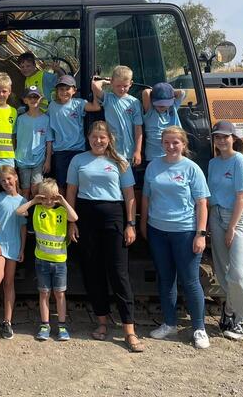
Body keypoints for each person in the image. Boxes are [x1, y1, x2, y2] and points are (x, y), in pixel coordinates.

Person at [66, 120, 144, 352]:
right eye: (94, 137)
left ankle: (129, 329)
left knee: (119, 273)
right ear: (88, 138)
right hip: (86, 217)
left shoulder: (119, 161)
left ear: (109, 138)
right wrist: (72, 223)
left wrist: (131, 224)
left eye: (102, 137)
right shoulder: (78, 160)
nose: (98, 141)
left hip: (113, 218)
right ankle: (101, 321)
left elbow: (129, 195)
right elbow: (71, 191)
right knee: (93, 271)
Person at [139, 126, 211, 349]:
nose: (171, 146)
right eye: (167, 142)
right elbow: (146, 197)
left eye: (175, 143)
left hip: (185, 232)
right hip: (158, 231)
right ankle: (169, 323)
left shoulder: (191, 169)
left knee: (190, 280)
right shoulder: (154, 166)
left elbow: (202, 203)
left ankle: (199, 328)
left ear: (183, 145)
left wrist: (200, 234)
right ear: (161, 144)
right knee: (166, 278)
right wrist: (143, 224)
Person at [207, 120, 243, 342]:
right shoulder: (213, 163)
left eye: (225, 137)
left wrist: (232, 228)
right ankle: (228, 312)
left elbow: (242, 197)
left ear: (233, 138)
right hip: (217, 217)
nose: (221, 140)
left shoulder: (240, 162)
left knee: (238, 272)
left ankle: (241, 322)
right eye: (217, 137)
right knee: (222, 271)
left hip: (238, 218)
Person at [15, 179, 78, 342]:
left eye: (52, 198)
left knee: (59, 294)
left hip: (59, 261)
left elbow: (74, 217)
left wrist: (63, 201)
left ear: (56, 197)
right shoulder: (36, 209)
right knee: (44, 293)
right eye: (45, 198)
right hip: (42, 260)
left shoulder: (61, 212)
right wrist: (34, 200)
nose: (48, 201)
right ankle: (45, 325)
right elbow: (19, 211)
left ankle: (62, 326)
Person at [0, 166, 27, 339]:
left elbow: (23, 227)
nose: (6, 183)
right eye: (3, 181)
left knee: (9, 283)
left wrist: (22, 248)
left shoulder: (23, 201)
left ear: (16, 178)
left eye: (9, 179)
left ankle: (7, 321)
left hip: (14, 245)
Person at [47, 75, 101, 193]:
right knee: (61, 183)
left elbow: (96, 107)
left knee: (77, 183)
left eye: (67, 89)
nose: (64, 92)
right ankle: (63, 208)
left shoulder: (78, 104)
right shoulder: (51, 106)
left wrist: (95, 88)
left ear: (74, 90)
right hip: (60, 151)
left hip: (77, 150)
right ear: (57, 91)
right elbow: (49, 129)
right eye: (61, 89)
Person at [91, 65, 143, 166]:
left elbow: (138, 128)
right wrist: (106, 81)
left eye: (125, 86)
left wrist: (137, 151)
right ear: (112, 83)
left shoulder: (135, 102)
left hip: (129, 151)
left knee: (129, 180)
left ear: (130, 84)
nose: (122, 89)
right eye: (118, 86)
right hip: (112, 152)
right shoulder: (108, 98)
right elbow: (95, 86)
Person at [15, 86, 51, 199]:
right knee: (25, 190)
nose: (33, 100)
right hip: (22, 159)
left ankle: (35, 215)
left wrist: (48, 160)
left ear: (41, 99)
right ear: (25, 100)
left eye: (36, 97)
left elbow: (49, 141)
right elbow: (15, 139)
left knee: (36, 189)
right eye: (30, 97)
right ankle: (24, 215)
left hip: (39, 160)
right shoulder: (20, 119)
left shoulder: (46, 119)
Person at [141, 82, 186, 162]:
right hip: (155, 155)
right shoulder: (150, 111)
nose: (162, 107)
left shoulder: (173, 107)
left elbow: (182, 92)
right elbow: (146, 92)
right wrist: (156, 92)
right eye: (159, 104)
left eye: (165, 104)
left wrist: (168, 94)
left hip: (174, 151)